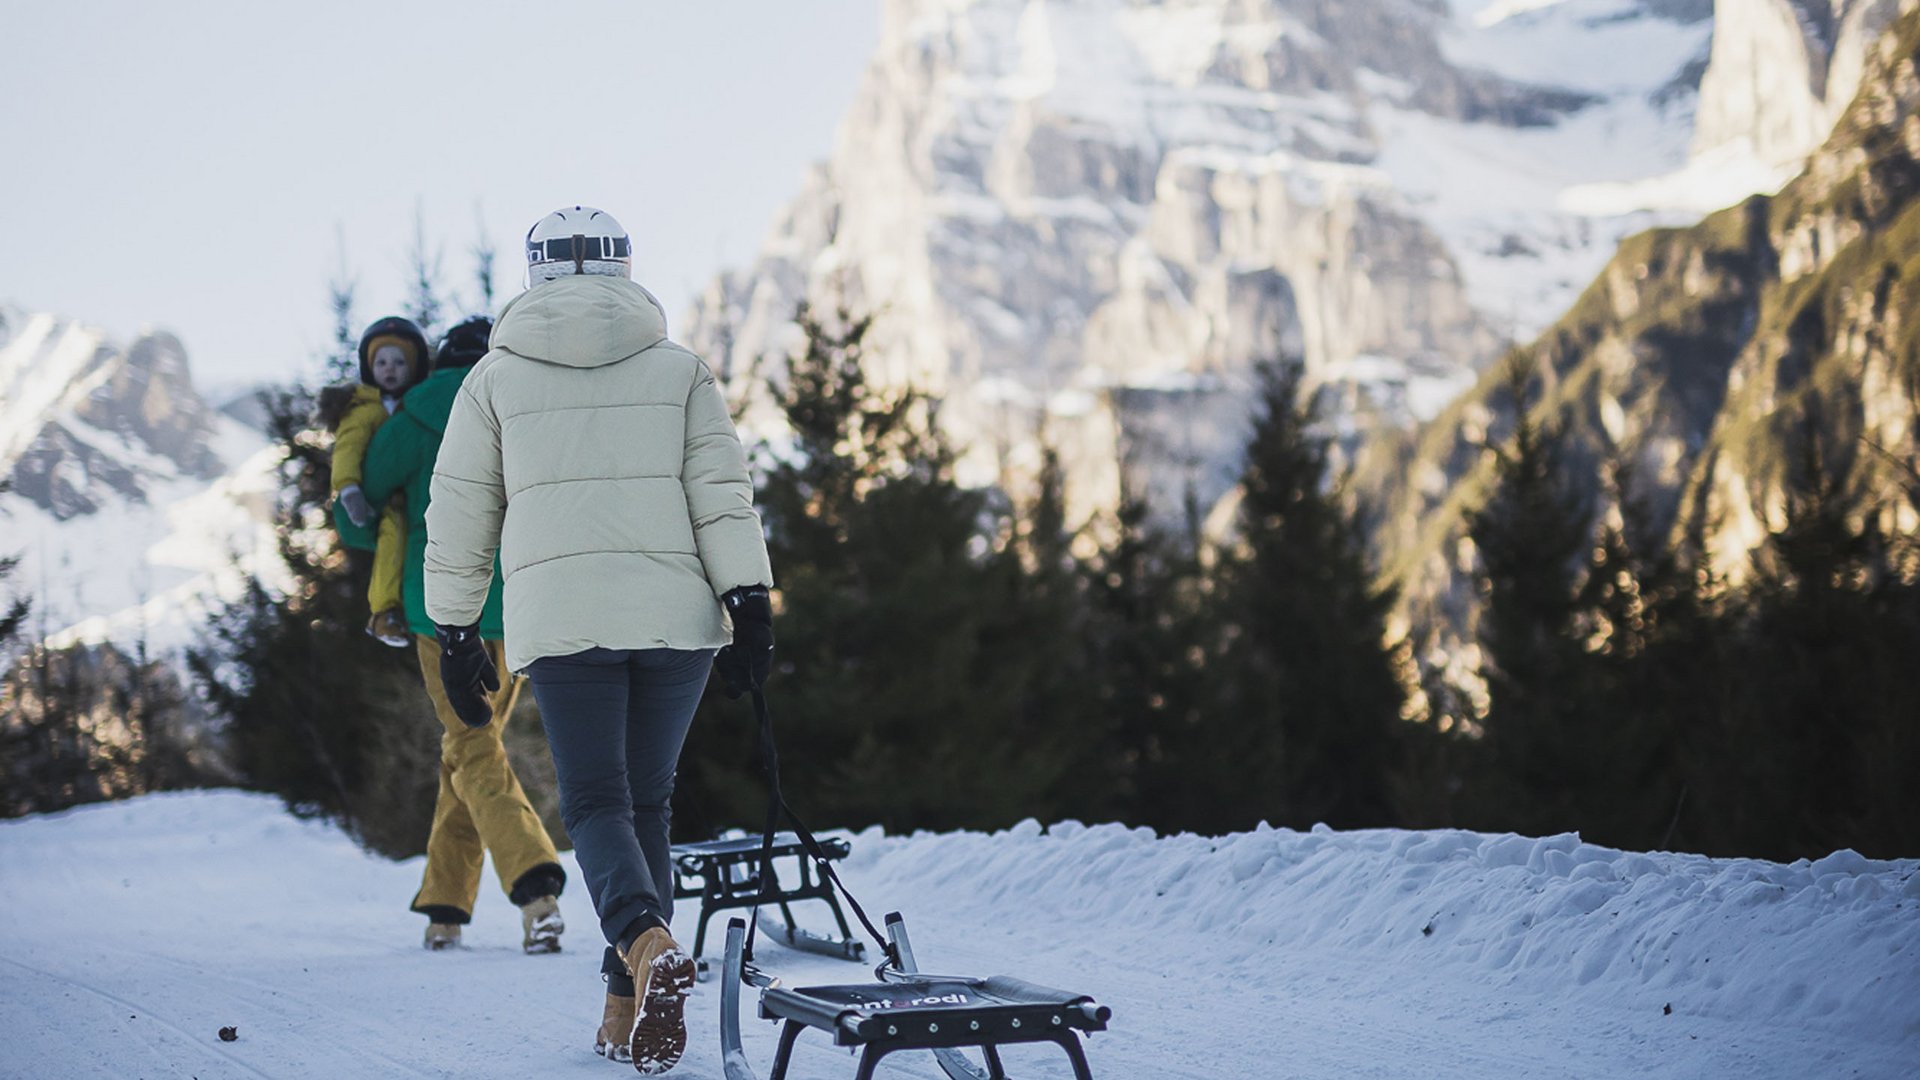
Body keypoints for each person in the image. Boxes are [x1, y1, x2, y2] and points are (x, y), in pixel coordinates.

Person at [422, 205, 773, 1073]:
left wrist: (457, 629)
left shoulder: (494, 379)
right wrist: (750, 599)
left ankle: (647, 947)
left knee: (594, 804)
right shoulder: (681, 369)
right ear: (624, 265)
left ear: (535, 271)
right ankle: (626, 1007)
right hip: (677, 619)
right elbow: (722, 494)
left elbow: (461, 512)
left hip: (567, 620)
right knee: (646, 799)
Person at [360, 314, 569, 954]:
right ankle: (445, 908)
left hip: (439, 610)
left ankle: (536, 890)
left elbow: (364, 502)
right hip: (514, 604)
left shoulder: (415, 415)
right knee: (470, 744)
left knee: (471, 746)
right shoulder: (522, 404)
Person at [329, 316, 428, 647]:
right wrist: (349, 488)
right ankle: (384, 612)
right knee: (393, 536)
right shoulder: (363, 410)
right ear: (369, 367)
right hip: (387, 502)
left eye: (400, 362)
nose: (390, 369)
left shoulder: (417, 406)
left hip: (419, 493)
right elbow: (347, 449)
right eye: (382, 362)